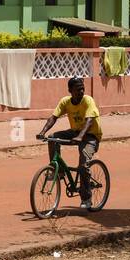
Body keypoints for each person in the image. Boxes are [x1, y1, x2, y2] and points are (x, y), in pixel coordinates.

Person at [36, 76, 102, 209]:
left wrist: (80, 137)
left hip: (90, 136)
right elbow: (53, 117)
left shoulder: (88, 100)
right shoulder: (65, 102)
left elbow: (89, 121)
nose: (81, 91)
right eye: (78, 89)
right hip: (75, 132)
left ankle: (87, 198)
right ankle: (58, 170)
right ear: (70, 90)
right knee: (52, 138)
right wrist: (42, 132)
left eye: (82, 88)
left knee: (83, 166)